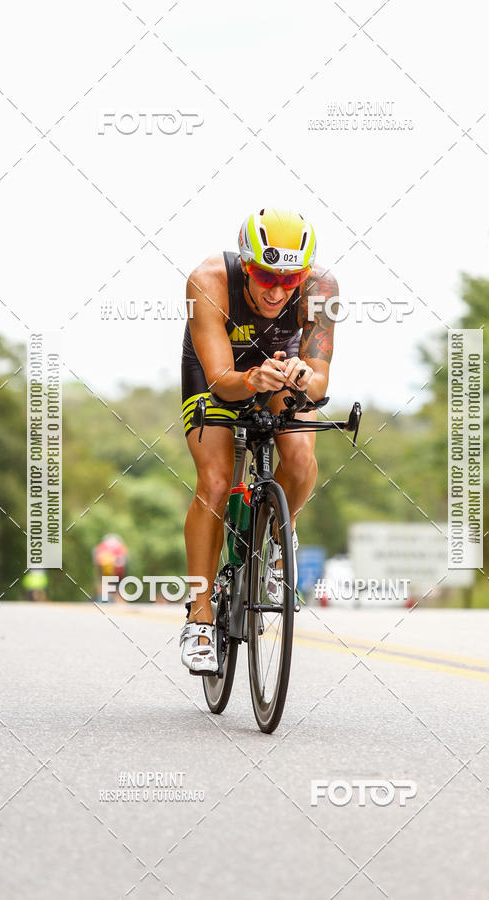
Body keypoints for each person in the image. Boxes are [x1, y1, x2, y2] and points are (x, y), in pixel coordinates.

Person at [180, 207, 337, 674]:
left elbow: (321, 380)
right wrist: (253, 379)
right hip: (221, 376)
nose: (276, 290)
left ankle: (273, 550)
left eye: (290, 280)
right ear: (247, 264)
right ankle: (200, 616)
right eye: (266, 275)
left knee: (302, 460)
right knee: (214, 479)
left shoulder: (322, 288)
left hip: (280, 370)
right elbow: (222, 380)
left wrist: (304, 375)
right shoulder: (207, 280)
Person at [93, 534, 128, 602]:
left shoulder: (118, 549)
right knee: (105, 588)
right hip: (107, 574)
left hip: (115, 575)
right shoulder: (103, 548)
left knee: (116, 591)